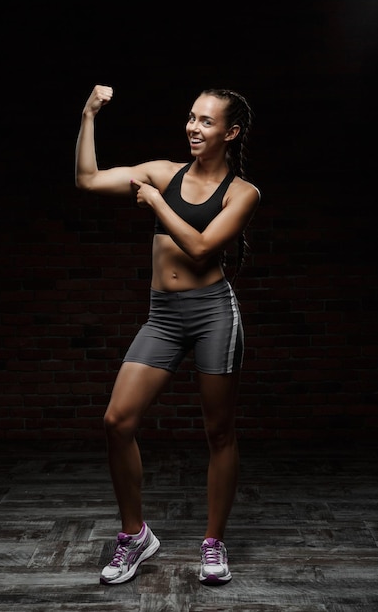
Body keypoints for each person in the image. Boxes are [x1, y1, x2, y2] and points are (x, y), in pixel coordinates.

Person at [75, 83, 260, 586]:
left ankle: (214, 542)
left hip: (213, 315)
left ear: (231, 131)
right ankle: (135, 536)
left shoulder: (242, 193)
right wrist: (90, 115)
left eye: (206, 121)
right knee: (117, 421)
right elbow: (88, 180)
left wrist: (156, 203)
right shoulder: (163, 171)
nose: (193, 127)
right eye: (191, 117)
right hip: (163, 316)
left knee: (219, 432)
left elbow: (201, 250)